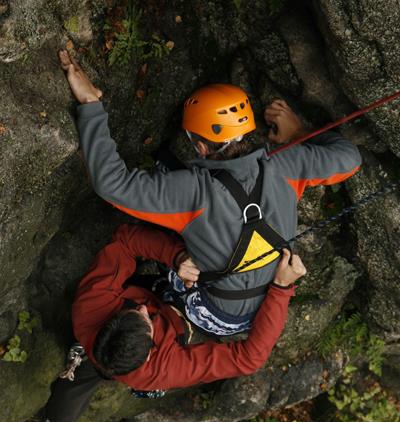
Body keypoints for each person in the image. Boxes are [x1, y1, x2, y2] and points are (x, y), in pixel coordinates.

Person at [58, 49, 361, 336]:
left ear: (201, 147)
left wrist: (90, 104)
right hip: (269, 302)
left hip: (215, 312)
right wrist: (298, 133)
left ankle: (167, 296)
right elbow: (350, 159)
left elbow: (111, 183)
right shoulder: (287, 164)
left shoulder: (192, 191)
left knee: (167, 200)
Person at [40, 223, 306, 422]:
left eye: (135, 311)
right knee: (84, 376)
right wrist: (281, 288)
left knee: (79, 379)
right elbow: (249, 358)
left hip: (118, 320)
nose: (142, 309)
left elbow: (124, 240)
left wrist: (176, 257)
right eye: (145, 320)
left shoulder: (91, 304)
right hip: (153, 324)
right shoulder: (162, 368)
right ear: (149, 353)